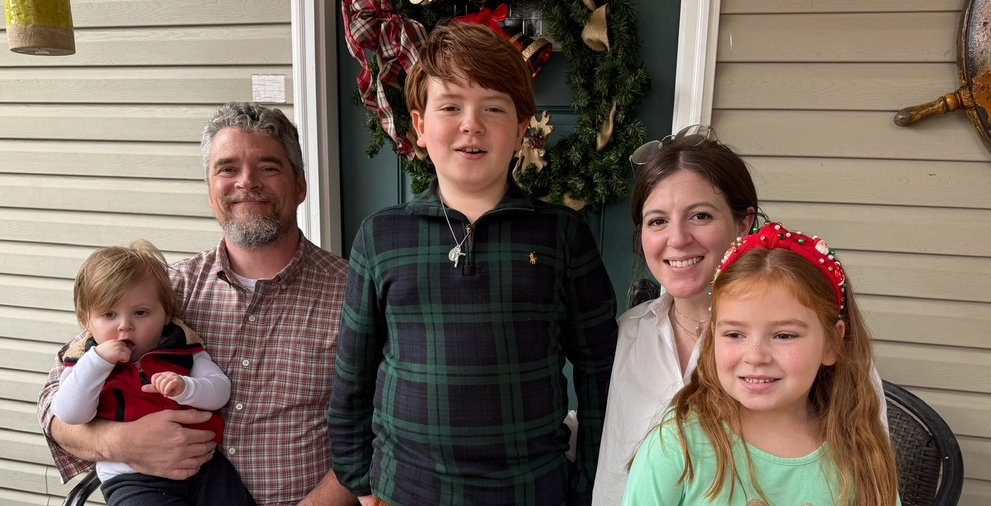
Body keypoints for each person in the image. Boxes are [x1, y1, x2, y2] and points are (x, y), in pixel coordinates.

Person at [328, 22, 619, 506]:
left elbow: (600, 372)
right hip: (405, 490)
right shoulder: (380, 237)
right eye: (450, 107)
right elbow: (352, 375)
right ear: (420, 127)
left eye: (494, 108)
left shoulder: (563, 236)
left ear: (522, 130)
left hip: (530, 491)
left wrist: (588, 483)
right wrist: (359, 479)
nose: (472, 124)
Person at [38, 102, 355, 506]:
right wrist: (123, 441)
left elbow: (384, 433)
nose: (246, 182)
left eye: (268, 167)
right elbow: (53, 402)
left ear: (300, 186)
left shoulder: (353, 294)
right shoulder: (165, 291)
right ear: (210, 192)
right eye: (227, 169)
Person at [592, 127, 887, 505]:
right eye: (657, 221)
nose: (677, 239)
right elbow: (612, 460)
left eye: (700, 215)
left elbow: (866, 469)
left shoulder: (821, 348)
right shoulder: (627, 334)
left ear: (744, 223)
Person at [621, 223, 901, 506]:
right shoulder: (677, 447)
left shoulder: (860, 453)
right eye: (735, 334)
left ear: (831, 343)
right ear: (713, 337)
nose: (755, 356)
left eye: (784, 335)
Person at [52, 240, 254, 505]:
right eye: (109, 314)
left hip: (204, 466)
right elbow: (70, 414)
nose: (125, 326)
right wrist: (98, 362)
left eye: (140, 313)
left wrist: (186, 387)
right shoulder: (83, 363)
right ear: (86, 319)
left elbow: (220, 391)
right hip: (132, 478)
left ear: (166, 314)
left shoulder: (182, 349)